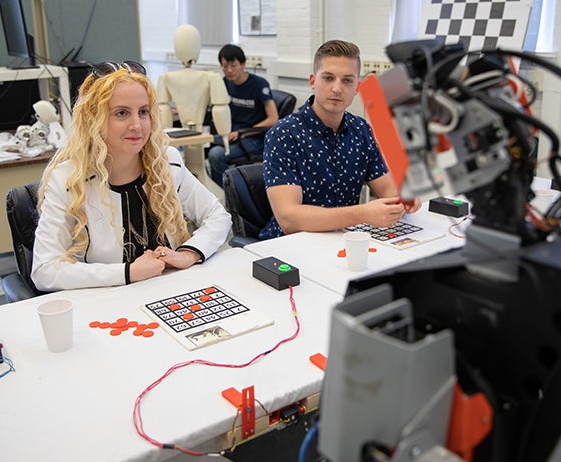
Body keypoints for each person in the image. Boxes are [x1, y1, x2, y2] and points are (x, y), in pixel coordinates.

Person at [31, 61, 232, 292]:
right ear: (93, 119)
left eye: (143, 112)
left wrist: (189, 253)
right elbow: (44, 270)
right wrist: (128, 272)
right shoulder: (67, 180)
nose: (137, 125)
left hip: (174, 292)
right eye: (121, 113)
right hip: (110, 304)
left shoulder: (167, 162)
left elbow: (218, 217)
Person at [259, 39, 420, 240]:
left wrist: (402, 196)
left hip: (345, 239)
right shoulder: (283, 135)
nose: (337, 88)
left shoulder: (360, 129)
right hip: (290, 246)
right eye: (328, 78)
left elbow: (386, 187)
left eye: (347, 80)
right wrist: (362, 214)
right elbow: (289, 219)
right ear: (312, 81)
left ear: (357, 88)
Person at [208, 44, 279, 188]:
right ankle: (219, 191)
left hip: (253, 137)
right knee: (200, 147)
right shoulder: (224, 83)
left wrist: (242, 132)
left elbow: (273, 119)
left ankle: (233, 194)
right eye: (224, 66)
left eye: (233, 65)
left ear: (243, 64)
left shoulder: (259, 84)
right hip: (231, 134)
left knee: (215, 155)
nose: (229, 70)